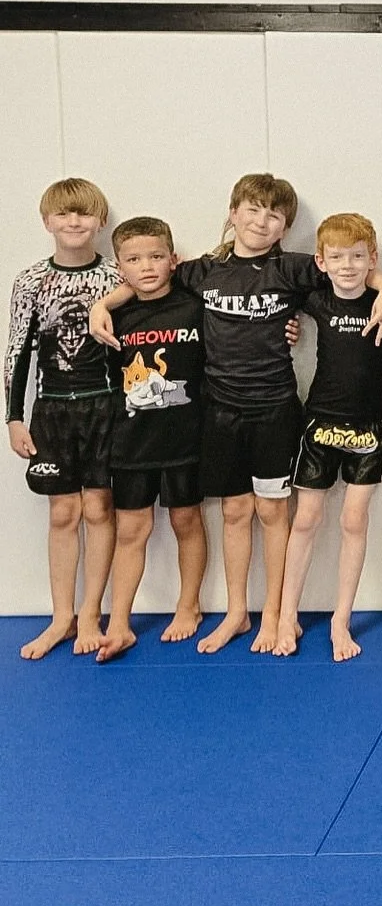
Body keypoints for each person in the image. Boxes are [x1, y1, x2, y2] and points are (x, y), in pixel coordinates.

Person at [91, 173, 382, 655]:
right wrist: (103, 304)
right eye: (252, 210)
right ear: (233, 213)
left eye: (274, 215)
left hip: (274, 409)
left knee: (273, 511)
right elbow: (153, 279)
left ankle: (275, 615)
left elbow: (349, 267)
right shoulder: (203, 271)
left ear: (285, 227)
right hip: (220, 411)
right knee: (234, 512)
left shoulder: (292, 269)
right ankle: (237, 612)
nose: (261, 221)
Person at [274, 214, 382, 661]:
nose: (348, 266)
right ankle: (287, 615)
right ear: (322, 262)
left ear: (372, 259)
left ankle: (341, 619)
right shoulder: (316, 299)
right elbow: (273, 278)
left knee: (354, 521)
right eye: (337, 258)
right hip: (319, 424)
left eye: (358, 257)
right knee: (306, 519)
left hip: (368, 428)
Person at [6, 177, 119, 659]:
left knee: (98, 509)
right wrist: (13, 417)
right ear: (47, 221)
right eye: (64, 214)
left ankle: (91, 613)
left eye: (84, 213)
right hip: (52, 408)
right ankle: (61, 617)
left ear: (100, 221)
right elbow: (17, 352)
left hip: (104, 405)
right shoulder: (30, 281)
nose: (74, 222)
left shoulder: (116, 278)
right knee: (63, 513)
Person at [95, 217, 207, 661]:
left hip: (186, 437)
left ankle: (189, 605)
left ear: (173, 260)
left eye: (156, 256)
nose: (146, 267)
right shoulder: (114, 317)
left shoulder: (195, 305)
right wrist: (102, 305)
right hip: (132, 441)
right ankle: (119, 623)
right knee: (131, 530)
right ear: (119, 267)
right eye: (134, 259)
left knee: (186, 521)